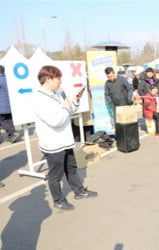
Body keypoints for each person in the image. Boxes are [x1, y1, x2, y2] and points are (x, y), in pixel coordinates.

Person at [33, 65, 97, 211]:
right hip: (53, 144)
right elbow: (55, 121)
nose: (60, 82)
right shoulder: (39, 98)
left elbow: (69, 111)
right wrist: (66, 107)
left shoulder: (56, 94)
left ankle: (79, 191)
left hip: (65, 141)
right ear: (48, 79)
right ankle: (58, 200)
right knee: (56, 175)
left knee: (72, 168)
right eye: (58, 78)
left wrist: (74, 101)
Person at [0, 65, 20, 143]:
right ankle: (12, 136)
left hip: (2, 106)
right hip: (10, 105)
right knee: (9, 119)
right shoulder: (9, 79)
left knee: (1, 121)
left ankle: (11, 132)